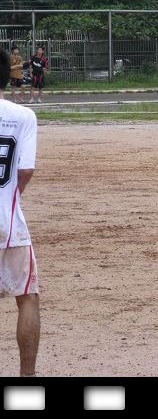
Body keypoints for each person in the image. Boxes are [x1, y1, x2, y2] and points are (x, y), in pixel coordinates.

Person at [0, 48, 40, 376]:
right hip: (9, 224)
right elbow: (25, 170)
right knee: (26, 296)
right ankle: (27, 377)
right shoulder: (23, 116)